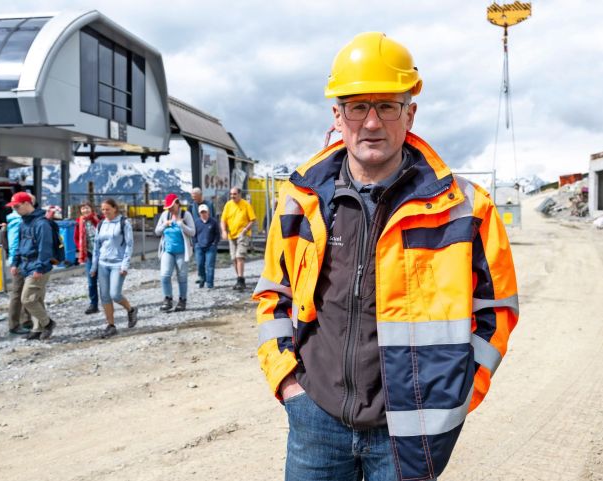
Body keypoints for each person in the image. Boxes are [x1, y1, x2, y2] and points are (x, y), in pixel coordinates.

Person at [252, 32, 519, 481]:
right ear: (337, 116)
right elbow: (273, 295)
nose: (371, 123)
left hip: (411, 431)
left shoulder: (467, 207)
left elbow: (497, 310)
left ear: (409, 113)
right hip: (315, 418)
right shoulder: (300, 200)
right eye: (357, 106)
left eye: (387, 106)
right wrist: (288, 381)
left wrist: (457, 395)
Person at [8, 192, 56, 341]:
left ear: (27, 204)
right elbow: (19, 244)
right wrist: (15, 262)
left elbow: (45, 248)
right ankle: (37, 329)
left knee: (27, 299)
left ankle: (48, 323)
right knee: (37, 298)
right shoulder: (24, 222)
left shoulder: (42, 223)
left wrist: (40, 267)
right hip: (25, 264)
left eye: (17, 206)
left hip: (37, 266)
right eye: (13, 207)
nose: (15, 209)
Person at [90, 198, 137, 338]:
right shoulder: (101, 224)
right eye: (103, 210)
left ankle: (131, 310)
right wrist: (94, 266)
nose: (104, 212)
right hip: (103, 264)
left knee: (115, 294)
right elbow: (96, 246)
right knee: (104, 296)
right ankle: (111, 325)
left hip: (118, 264)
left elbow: (129, 245)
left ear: (115, 208)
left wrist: (125, 264)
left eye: (107, 209)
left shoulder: (124, 223)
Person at [154, 193, 195, 312]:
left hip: (182, 251)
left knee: (182, 276)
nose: (170, 209)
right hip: (168, 250)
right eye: (168, 207)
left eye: (171, 206)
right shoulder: (165, 215)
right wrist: (164, 225)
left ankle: (182, 300)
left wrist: (181, 225)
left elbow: (192, 232)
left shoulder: (186, 215)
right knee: (165, 275)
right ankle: (168, 298)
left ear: (177, 203)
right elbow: (157, 231)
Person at [3, 193, 33, 335]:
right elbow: (15, 243)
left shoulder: (16, 220)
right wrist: (14, 262)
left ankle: (26, 321)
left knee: (25, 291)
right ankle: (15, 324)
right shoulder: (18, 221)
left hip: (21, 259)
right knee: (19, 292)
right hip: (20, 260)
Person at [220, 186, 255, 290]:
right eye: (231, 194)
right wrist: (224, 231)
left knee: (239, 256)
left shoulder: (246, 205)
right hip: (232, 235)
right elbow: (223, 220)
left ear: (240, 194)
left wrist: (245, 229)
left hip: (243, 234)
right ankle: (240, 279)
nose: (232, 196)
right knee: (233, 258)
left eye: (234, 194)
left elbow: (252, 220)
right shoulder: (228, 205)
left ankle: (240, 279)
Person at [74, 201, 101, 315]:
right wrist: (81, 249)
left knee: (104, 281)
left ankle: (107, 302)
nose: (85, 210)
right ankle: (93, 304)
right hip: (89, 254)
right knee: (91, 281)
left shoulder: (99, 219)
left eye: (87, 208)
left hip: (102, 254)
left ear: (92, 208)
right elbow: (76, 238)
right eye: (83, 208)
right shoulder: (79, 222)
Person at [193, 203, 220, 289]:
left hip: (210, 247)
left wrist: (214, 243)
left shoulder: (213, 222)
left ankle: (210, 284)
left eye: (205, 212)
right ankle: (202, 279)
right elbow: (194, 234)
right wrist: (195, 244)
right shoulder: (196, 222)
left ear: (208, 212)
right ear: (199, 213)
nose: (203, 214)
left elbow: (217, 234)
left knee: (210, 266)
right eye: (202, 212)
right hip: (199, 247)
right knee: (200, 264)